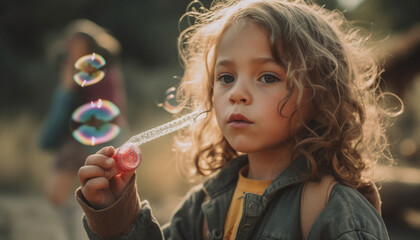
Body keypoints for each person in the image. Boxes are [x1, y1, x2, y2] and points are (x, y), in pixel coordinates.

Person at [76, 0, 399, 239]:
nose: (237, 94)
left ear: (320, 95)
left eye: (268, 77)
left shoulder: (336, 213)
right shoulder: (201, 207)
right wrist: (115, 213)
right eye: (226, 77)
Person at [39, 19, 127, 239]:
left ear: (91, 47)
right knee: (56, 194)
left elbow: (110, 107)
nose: (75, 51)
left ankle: (84, 230)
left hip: (96, 138)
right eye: (72, 45)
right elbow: (62, 106)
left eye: (80, 46)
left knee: (100, 197)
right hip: (80, 137)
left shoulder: (104, 71)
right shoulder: (74, 69)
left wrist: (68, 80)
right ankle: (77, 230)